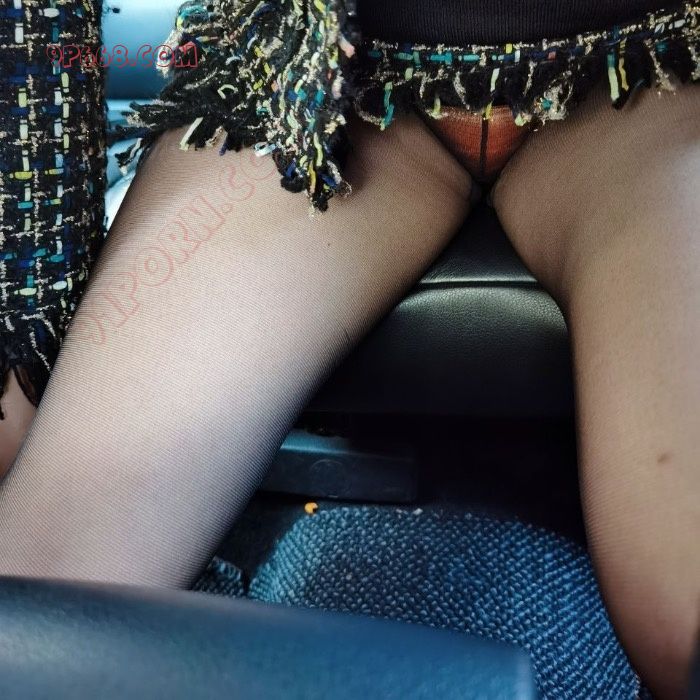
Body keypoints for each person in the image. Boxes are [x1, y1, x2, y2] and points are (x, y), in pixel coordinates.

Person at [0, 1, 698, 696]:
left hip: (643, 76)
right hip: (304, 95)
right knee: (40, 597)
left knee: (684, 622)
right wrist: (26, 342)